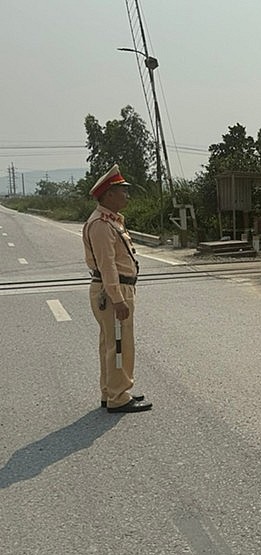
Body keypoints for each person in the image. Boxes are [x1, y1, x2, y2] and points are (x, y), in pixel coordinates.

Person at [82, 164, 152, 413]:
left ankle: (111, 390)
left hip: (117, 289)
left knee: (111, 343)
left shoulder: (110, 221)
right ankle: (119, 397)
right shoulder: (101, 224)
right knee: (120, 344)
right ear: (109, 194)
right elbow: (107, 265)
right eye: (123, 190)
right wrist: (118, 298)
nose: (127, 195)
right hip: (115, 291)